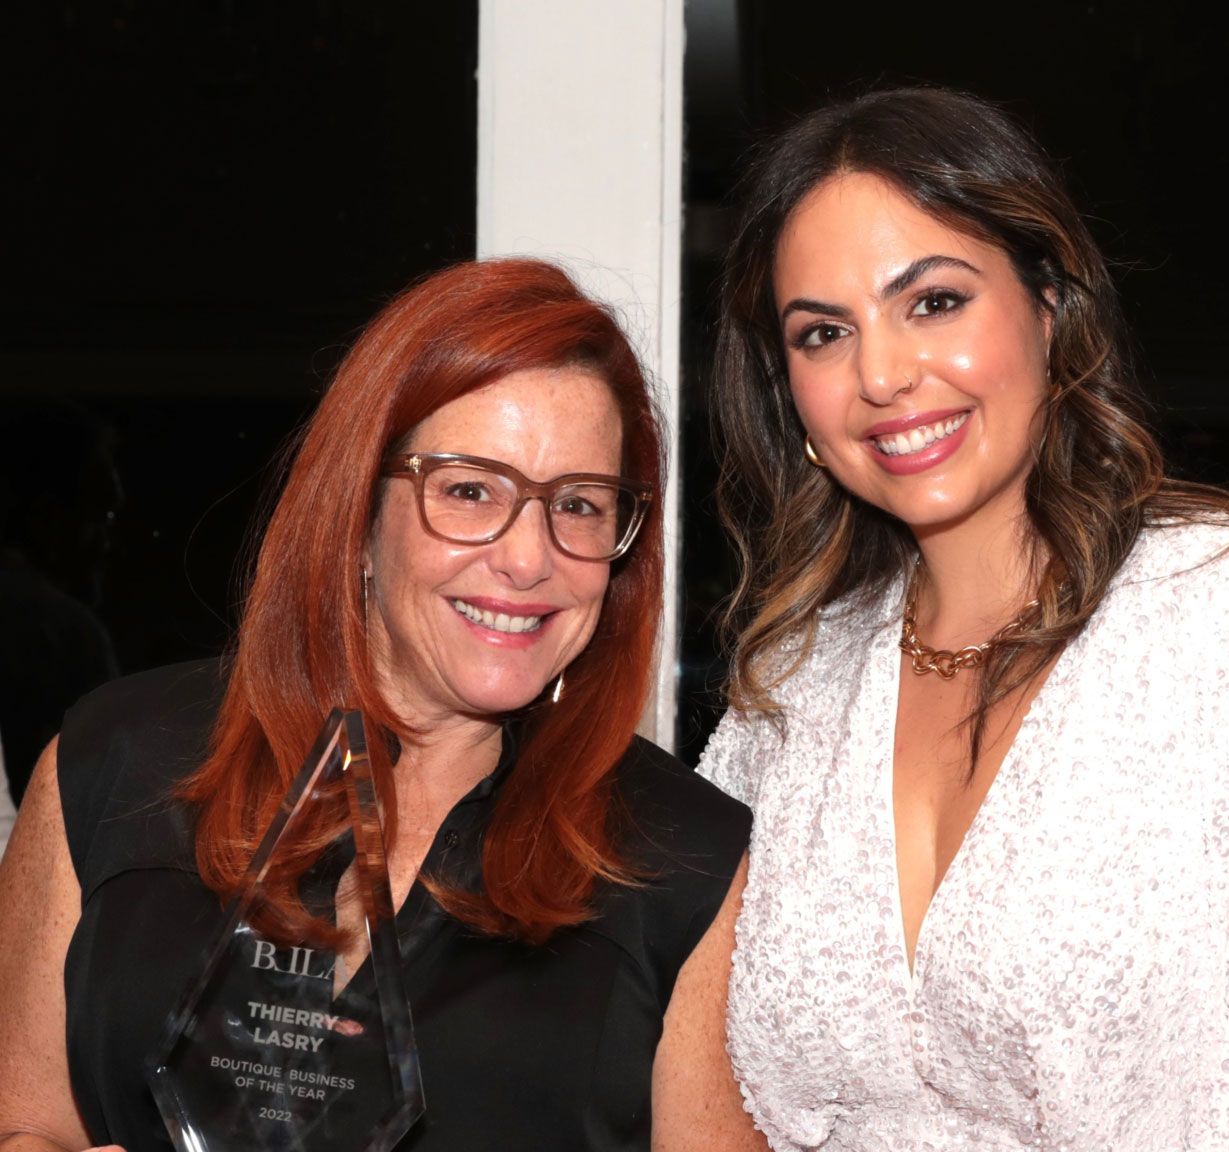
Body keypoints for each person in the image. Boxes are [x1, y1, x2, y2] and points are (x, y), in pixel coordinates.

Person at [699, 87, 1229, 1150]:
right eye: (823, 333)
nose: (882, 375)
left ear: (1048, 304)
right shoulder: (794, 693)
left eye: (932, 301)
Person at [0, 258, 762, 1152]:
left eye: (581, 505)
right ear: (360, 512)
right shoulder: (111, 764)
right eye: (471, 490)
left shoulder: (687, 862)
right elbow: (26, 1123)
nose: (529, 557)